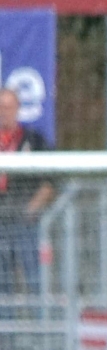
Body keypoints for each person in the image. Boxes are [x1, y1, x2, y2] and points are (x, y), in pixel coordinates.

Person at [0, 87, 52, 294]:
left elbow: (50, 180)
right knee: (3, 284)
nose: (4, 112)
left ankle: (40, 315)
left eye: (8, 107)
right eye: (1, 107)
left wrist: (31, 209)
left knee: (34, 278)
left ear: (18, 108)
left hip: (24, 222)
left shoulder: (34, 140)